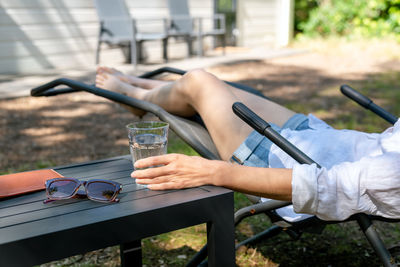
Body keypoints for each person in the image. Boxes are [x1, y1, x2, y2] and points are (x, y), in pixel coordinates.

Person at [96, 66, 400, 221]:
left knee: (199, 81)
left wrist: (212, 172)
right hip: (318, 138)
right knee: (213, 85)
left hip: (281, 158)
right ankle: (143, 88)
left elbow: (322, 186)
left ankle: (136, 95)